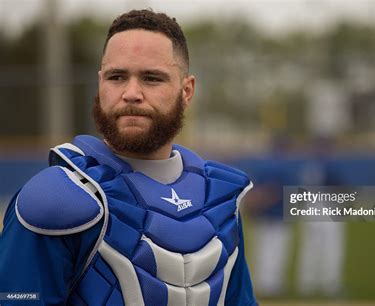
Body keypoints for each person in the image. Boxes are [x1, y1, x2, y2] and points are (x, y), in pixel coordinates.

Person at [0, 9, 257, 306]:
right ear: (100, 84)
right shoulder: (55, 200)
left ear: (186, 91)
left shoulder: (220, 199)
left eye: (151, 78)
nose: (131, 93)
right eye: (117, 77)